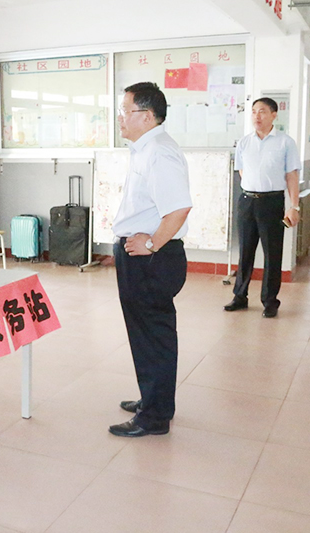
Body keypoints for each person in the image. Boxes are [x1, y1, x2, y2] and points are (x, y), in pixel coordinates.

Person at [110, 82, 192, 437]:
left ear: (146, 116)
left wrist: (152, 243)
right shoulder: (145, 149)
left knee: (154, 336)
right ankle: (152, 399)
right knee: (143, 334)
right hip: (138, 256)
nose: (120, 118)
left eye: (125, 111)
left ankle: (155, 416)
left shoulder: (159, 152)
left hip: (152, 260)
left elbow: (179, 208)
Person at [224, 97, 300, 318]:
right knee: (245, 251)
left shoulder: (285, 142)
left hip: (272, 202)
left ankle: (270, 301)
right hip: (247, 201)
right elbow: (242, 171)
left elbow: (292, 176)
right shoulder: (244, 142)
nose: (257, 116)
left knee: (272, 253)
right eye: (254, 111)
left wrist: (294, 206)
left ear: (274, 115)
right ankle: (240, 296)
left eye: (263, 111)